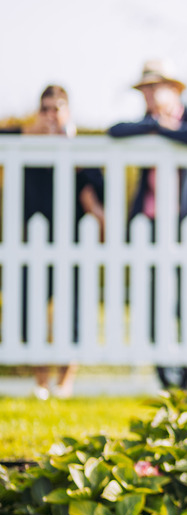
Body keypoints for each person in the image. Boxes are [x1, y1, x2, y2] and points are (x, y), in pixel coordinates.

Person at [108, 59, 187, 391]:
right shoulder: (145, 122)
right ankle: (164, 375)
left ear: (173, 90)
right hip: (151, 225)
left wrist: (162, 130)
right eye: (145, 90)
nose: (149, 96)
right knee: (153, 299)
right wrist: (155, 126)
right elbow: (115, 130)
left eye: (154, 88)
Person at [4, 85, 105, 399]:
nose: (50, 115)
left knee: (73, 311)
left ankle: (65, 382)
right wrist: (28, 133)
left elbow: (97, 189)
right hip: (31, 243)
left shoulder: (80, 151)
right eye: (45, 109)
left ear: (67, 112)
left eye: (56, 108)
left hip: (72, 242)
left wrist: (72, 152)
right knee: (29, 311)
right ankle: (41, 381)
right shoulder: (23, 143)